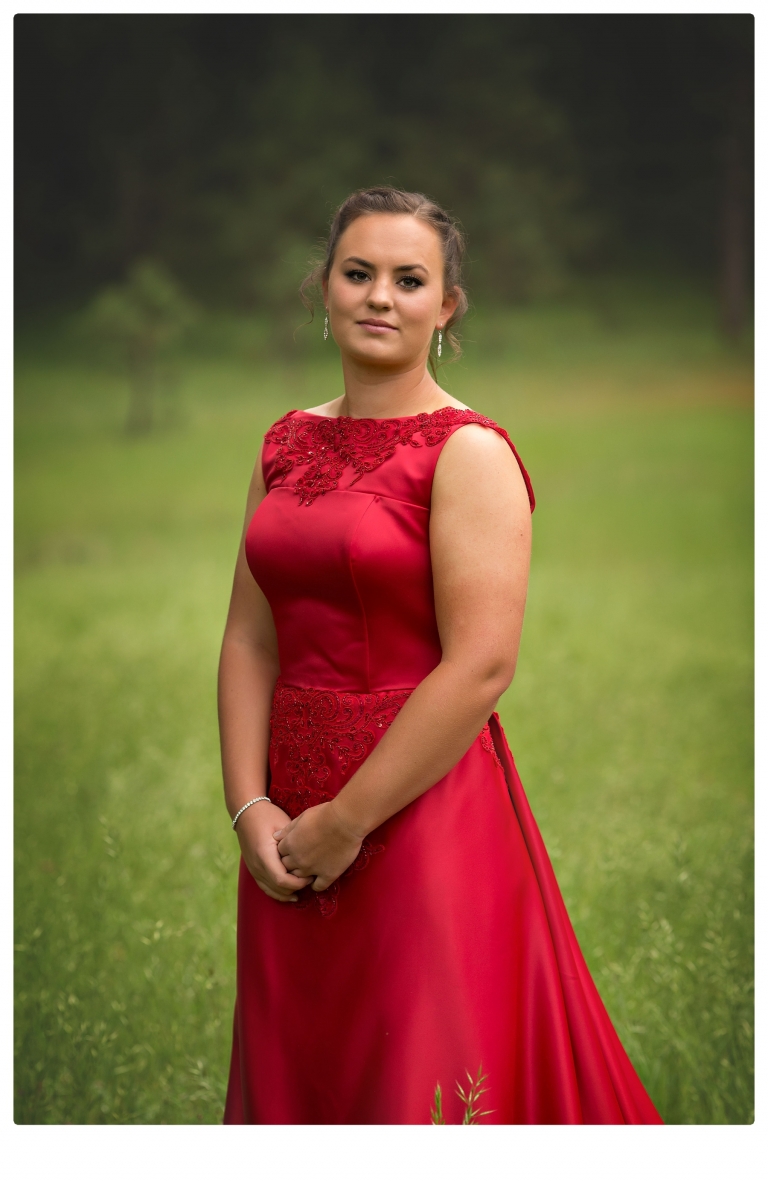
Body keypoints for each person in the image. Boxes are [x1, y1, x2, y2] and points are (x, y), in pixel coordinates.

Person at [218, 186, 662, 1124]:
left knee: (426, 1074)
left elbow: (482, 666)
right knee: (309, 1063)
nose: (381, 296)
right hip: (285, 816)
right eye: (359, 273)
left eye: (409, 279)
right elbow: (250, 636)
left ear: (446, 304)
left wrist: (347, 820)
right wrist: (250, 806)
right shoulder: (285, 443)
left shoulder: (469, 453)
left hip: (418, 810)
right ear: (324, 290)